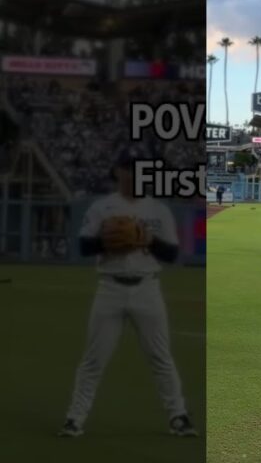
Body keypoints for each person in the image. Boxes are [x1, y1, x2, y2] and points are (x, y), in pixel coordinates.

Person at [58, 147, 196, 438]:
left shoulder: (158, 210)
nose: (133, 173)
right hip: (110, 288)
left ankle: (178, 416)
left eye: (139, 168)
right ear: (118, 172)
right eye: (128, 168)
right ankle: (75, 419)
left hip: (147, 288)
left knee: (161, 358)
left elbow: (171, 253)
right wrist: (110, 243)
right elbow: (84, 247)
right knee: (93, 361)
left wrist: (146, 239)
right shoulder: (102, 207)